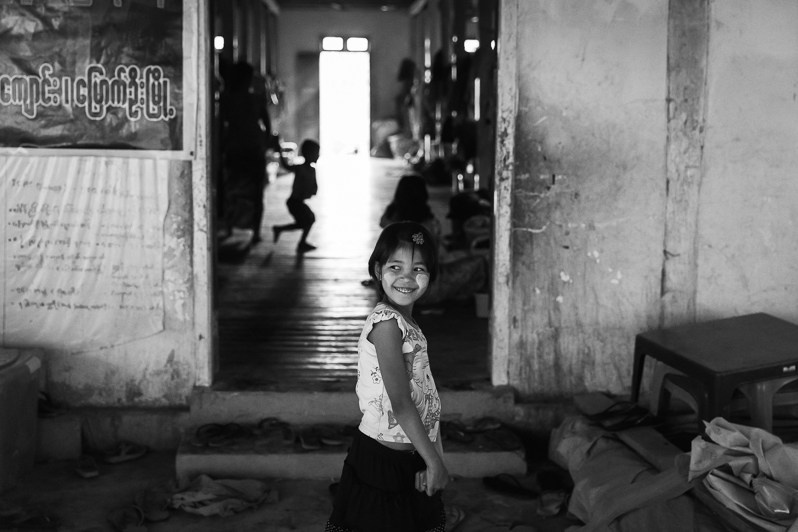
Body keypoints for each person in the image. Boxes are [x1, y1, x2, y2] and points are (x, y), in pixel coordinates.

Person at [326, 221, 448, 532]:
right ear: (379, 270)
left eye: (418, 269)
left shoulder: (406, 323)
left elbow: (425, 398)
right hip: (382, 462)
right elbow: (401, 404)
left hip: (412, 454)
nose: (407, 278)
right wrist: (434, 461)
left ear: (430, 275)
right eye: (396, 267)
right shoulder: (386, 324)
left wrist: (432, 456)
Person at [376, 173, 487, 307]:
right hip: (425, 291)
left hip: (392, 290)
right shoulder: (428, 225)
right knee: (480, 262)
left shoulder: (389, 220)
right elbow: (437, 257)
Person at [219, 61, 273, 245]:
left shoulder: (228, 99)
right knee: (254, 192)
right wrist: (264, 143)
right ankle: (254, 231)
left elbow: (221, 126)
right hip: (251, 148)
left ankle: (230, 227)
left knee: (233, 190)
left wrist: (221, 146)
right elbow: (266, 124)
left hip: (235, 147)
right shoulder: (255, 99)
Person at [272, 139, 320, 253]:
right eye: (316, 153)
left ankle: (280, 229)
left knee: (306, 221)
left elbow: (314, 186)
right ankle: (300, 242)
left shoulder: (312, 170)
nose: (318, 156)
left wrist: (312, 190)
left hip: (299, 202)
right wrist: (279, 151)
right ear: (308, 154)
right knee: (308, 220)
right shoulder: (300, 168)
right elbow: (286, 166)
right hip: (294, 202)